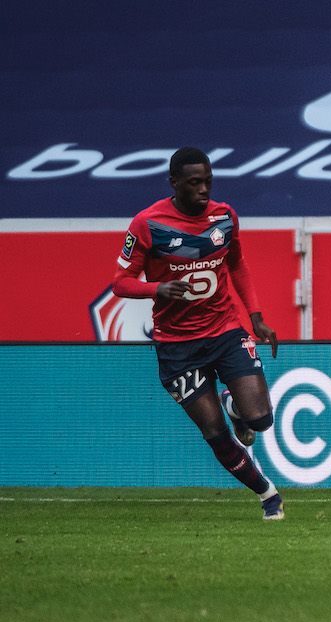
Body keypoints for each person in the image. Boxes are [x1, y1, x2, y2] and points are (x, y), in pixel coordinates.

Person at [112, 147, 284, 520]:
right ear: (174, 183)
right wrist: (157, 288)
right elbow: (121, 283)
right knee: (216, 433)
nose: (203, 189)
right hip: (177, 347)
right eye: (194, 183)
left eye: (208, 181)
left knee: (260, 420)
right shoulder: (148, 224)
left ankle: (235, 405)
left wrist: (256, 317)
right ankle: (268, 495)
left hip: (225, 330)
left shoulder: (224, 217)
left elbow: (237, 264)